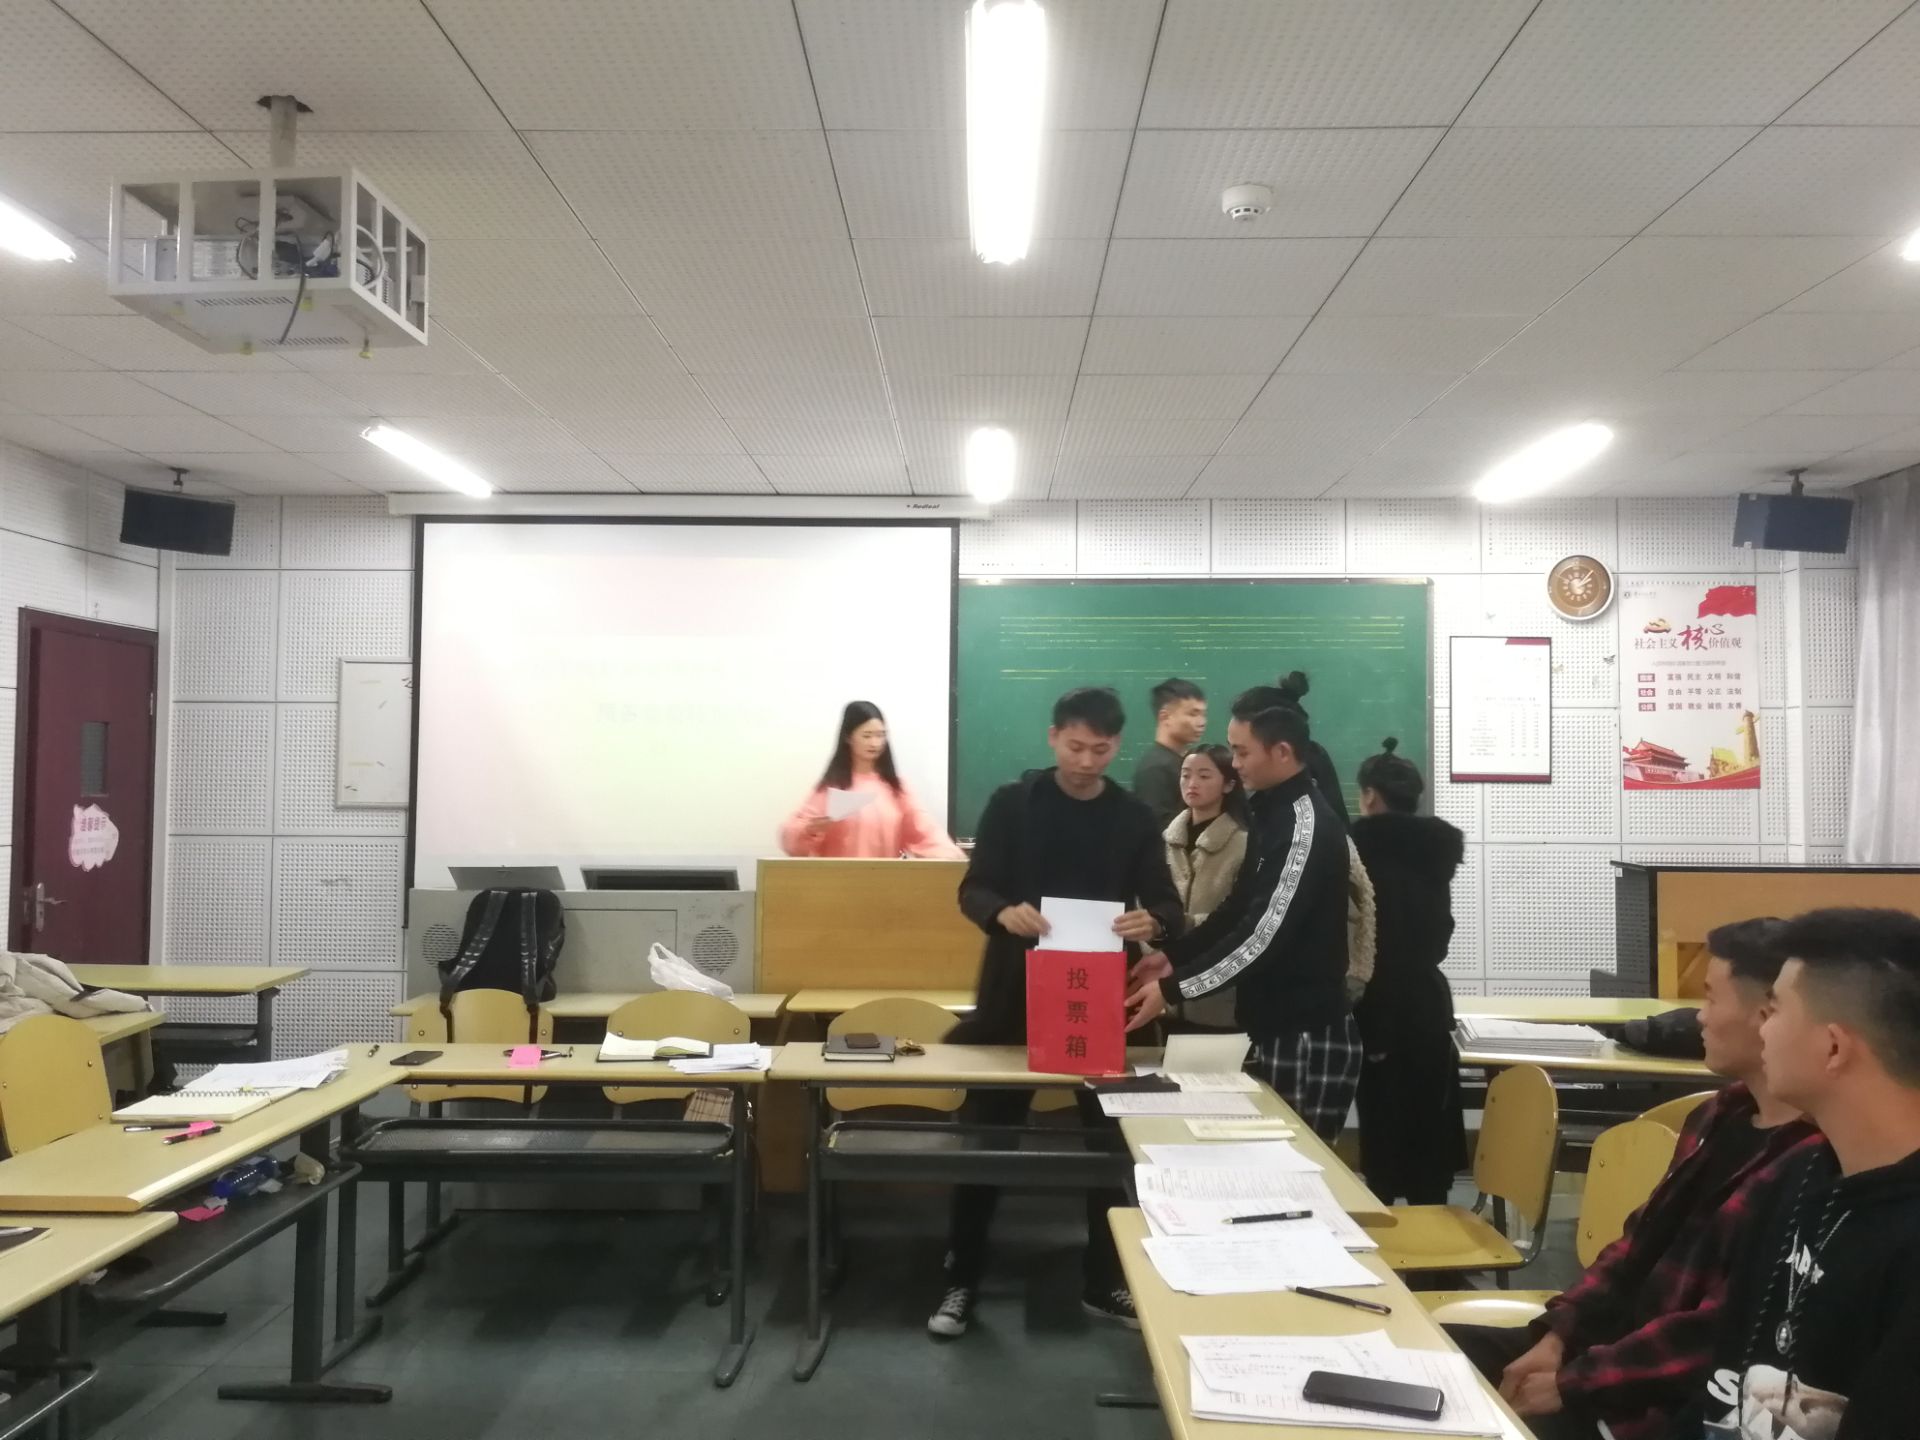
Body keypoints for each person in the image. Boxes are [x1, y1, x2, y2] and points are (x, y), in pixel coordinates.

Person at [1448, 917, 1821, 1440]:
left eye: (1710, 998)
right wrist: (1558, 1336)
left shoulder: (1812, 1166)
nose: (1698, 1017)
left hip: (1653, 1401)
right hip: (1602, 1358)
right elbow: (1632, 1247)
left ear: (1766, 1016)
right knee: (1429, 1350)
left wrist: (1576, 1383)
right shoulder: (1718, 1116)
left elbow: (1720, 1334)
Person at [930, 686, 1184, 1340]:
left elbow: (1166, 903)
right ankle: (962, 1276)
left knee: (1106, 1144)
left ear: (1117, 745)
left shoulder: (1132, 817)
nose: (1086, 761)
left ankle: (1105, 1279)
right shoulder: (1013, 804)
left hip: (1099, 995)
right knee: (987, 1138)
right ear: (1053, 737)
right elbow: (974, 889)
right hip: (1012, 991)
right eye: (1075, 747)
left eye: (1100, 750)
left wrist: (1152, 920)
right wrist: (1001, 911)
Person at [1689, 907, 1920, 1439]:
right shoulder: (1795, 1177)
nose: (1762, 1028)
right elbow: (1721, 1390)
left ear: (1833, 1047)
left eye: (1775, 1010)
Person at [1124, 700, 1358, 1142]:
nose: (1234, 763)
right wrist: (1175, 957)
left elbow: (1262, 935)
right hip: (1266, 1024)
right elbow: (1238, 909)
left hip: (1303, 1032)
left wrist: (1175, 988)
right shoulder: (1269, 811)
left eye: (1242, 751)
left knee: (1296, 1166)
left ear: (1282, 752)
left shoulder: (1302, 824)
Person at [1350, 738, 1468, 1206]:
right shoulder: (1434, 854)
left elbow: (1368, 942)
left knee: (1383, 1129)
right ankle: (1435, 1228)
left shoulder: (1358, 853)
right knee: (1428, 1125)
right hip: (1426, 1003)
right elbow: (1439, 932)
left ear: (1370, 796)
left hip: (1377, 1004)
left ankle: (1390, 1236)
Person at [780, 701, 961, 859]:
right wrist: (809, 830)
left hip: (885, 881)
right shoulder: (832, 787)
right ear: (848, 737)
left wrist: (951, 856)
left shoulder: (896, 787)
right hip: (838, 881)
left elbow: (924, 829)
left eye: (880, 735)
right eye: (867, 736)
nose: (875, 743)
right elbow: (792, 839)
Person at [1164, 744, 1249, 1030]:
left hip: (1218, 996)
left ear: (1229, 784)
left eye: (1204, 776)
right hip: (1163, 993)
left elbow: (1241, 919)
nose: (1192, 783)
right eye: (1185, 775)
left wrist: (1187, 924)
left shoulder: (1243, 844)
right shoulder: (1164, 842)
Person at [1132, 678, 1206, 828]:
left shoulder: (1185, 761)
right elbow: (1160, 831)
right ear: (1165, 717)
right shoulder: (1155, 769)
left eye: (1203, 714)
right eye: (1193, 714)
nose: (1201, 722)